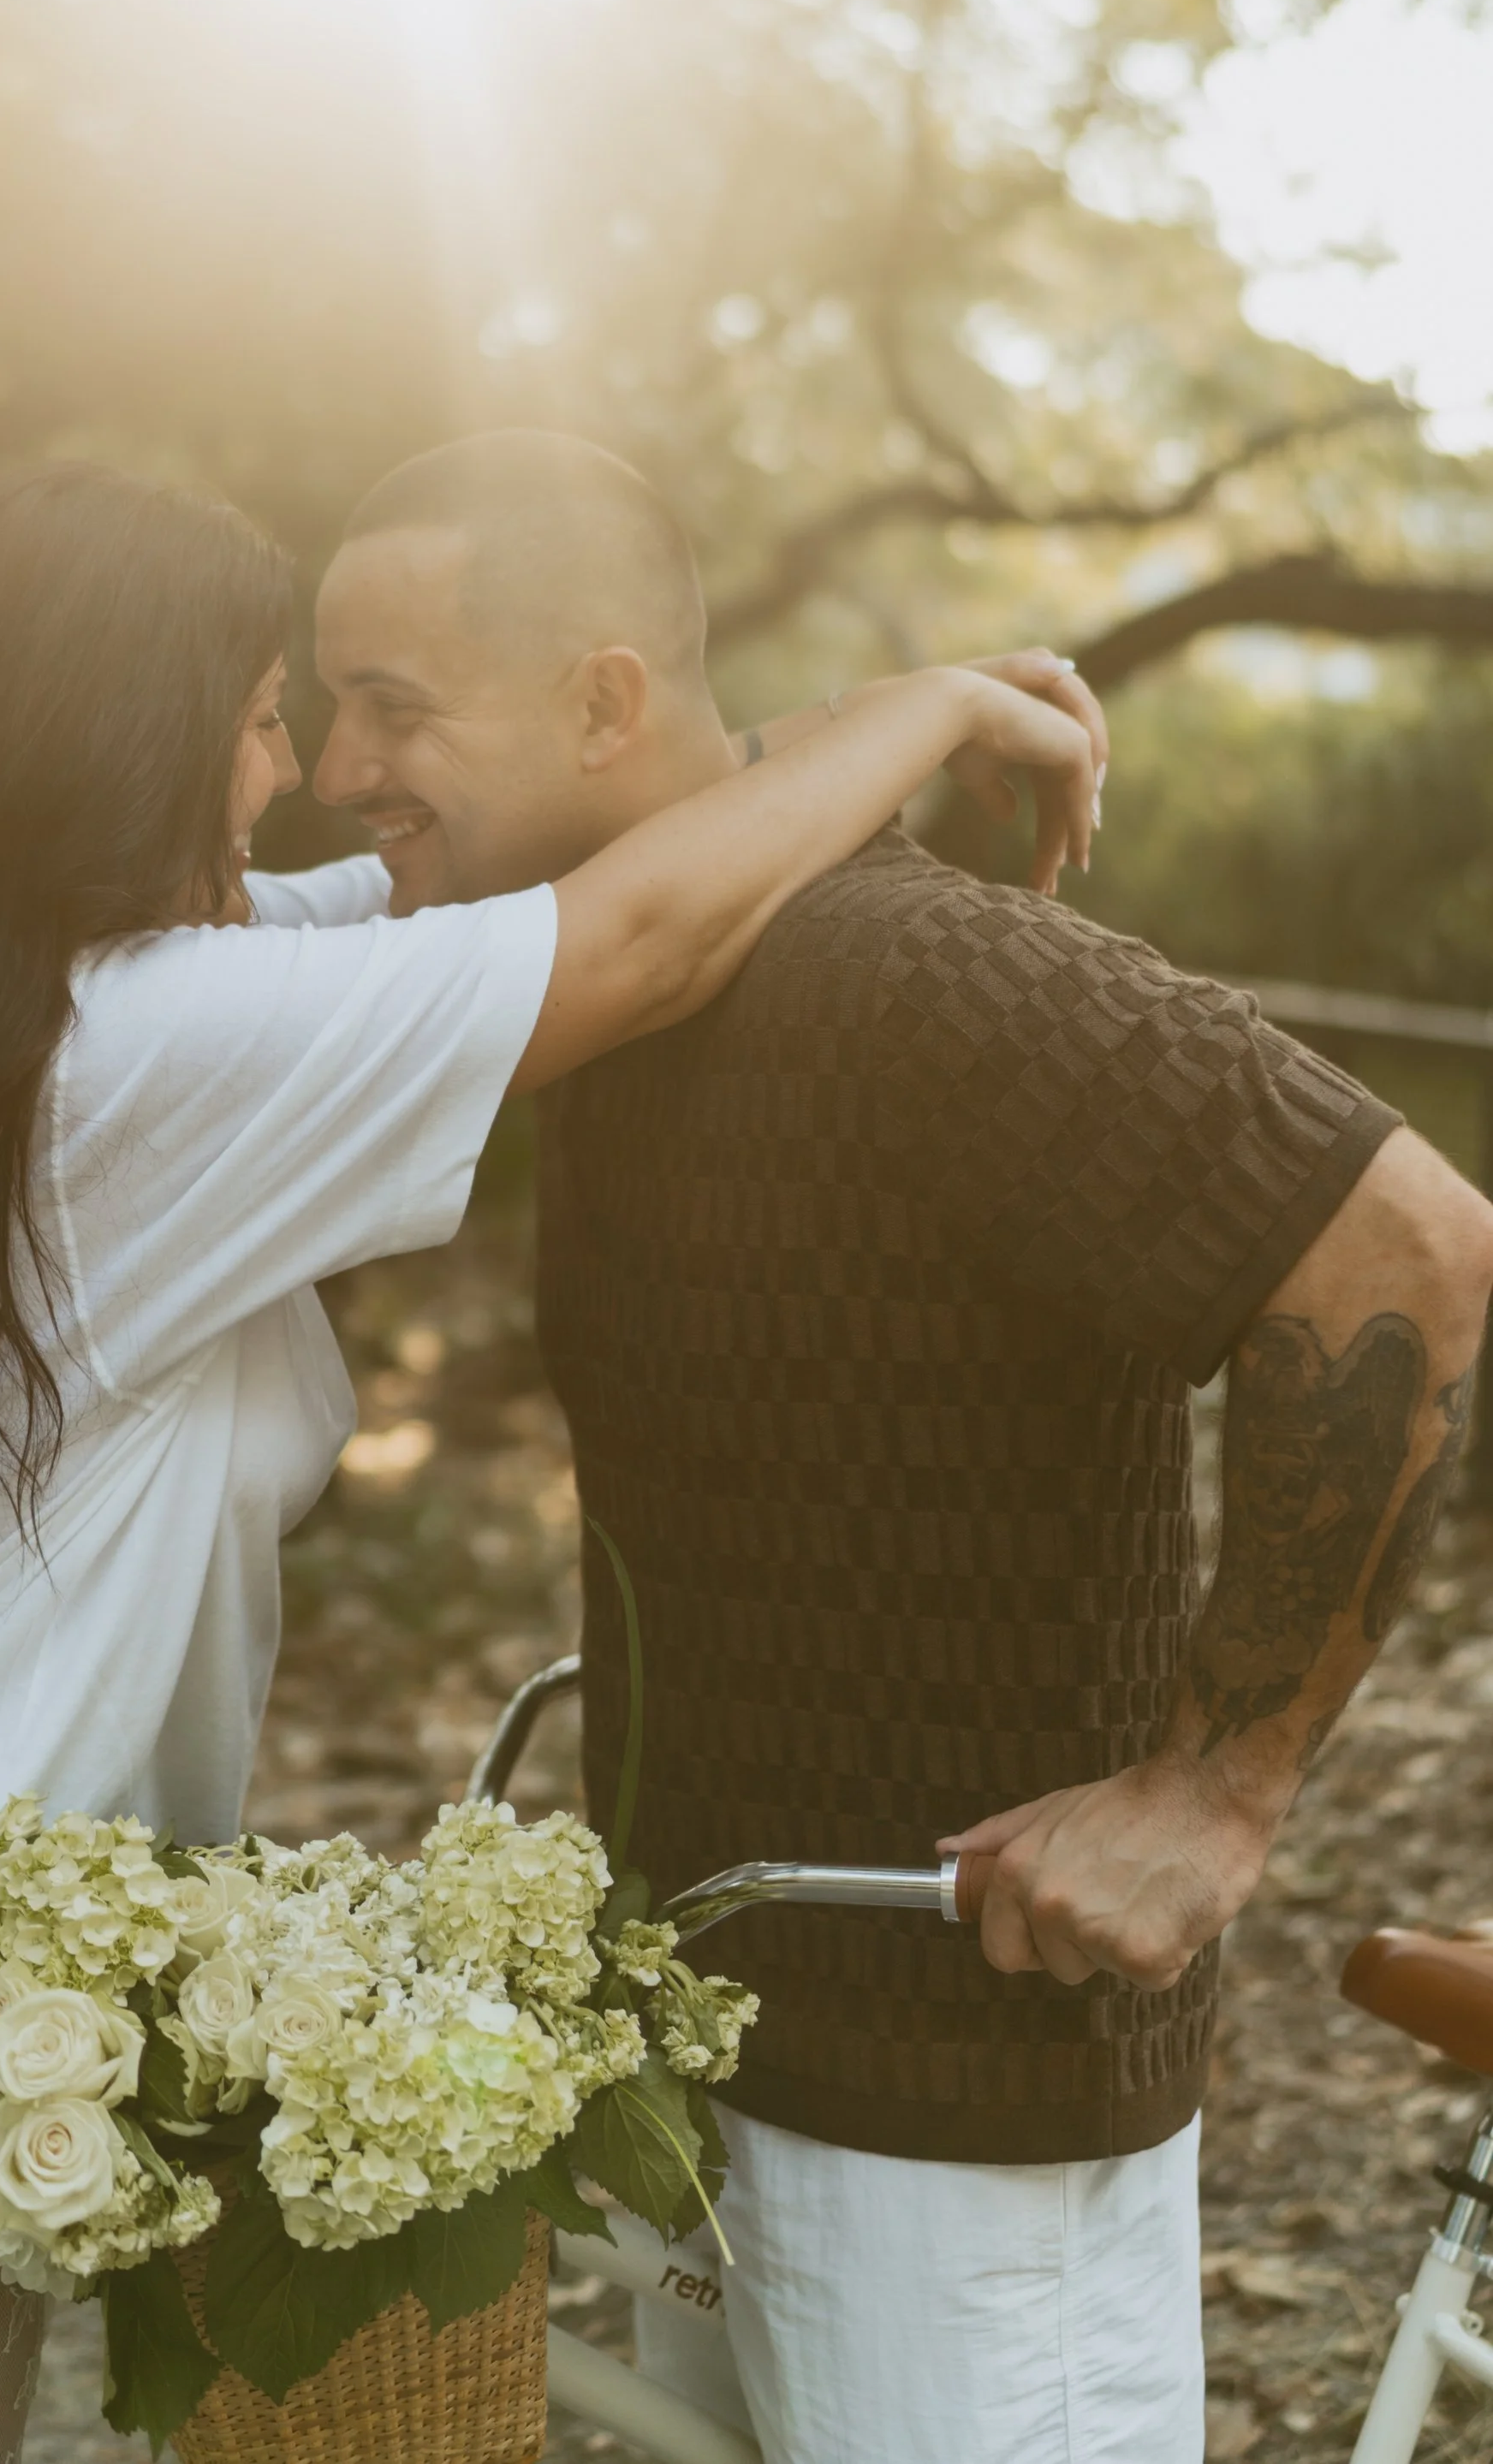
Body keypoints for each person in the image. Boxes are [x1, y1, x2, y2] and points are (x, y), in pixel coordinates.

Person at [0, 455, 1096, 2464]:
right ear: (105, 745)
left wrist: (750, 725)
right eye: (261, 717)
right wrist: (929, 708)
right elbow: (632, 941)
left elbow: (532, 864)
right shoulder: (137, 1054)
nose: (306, 776)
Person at [312, 429, 1493, 2464]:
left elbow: (1407, 1243)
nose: (340, 769)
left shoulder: (919, 978)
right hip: (714, 2052)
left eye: (387, 709)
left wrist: (1215, 1791)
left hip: (956, 2112)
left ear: (601, 700)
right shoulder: (611, 979)